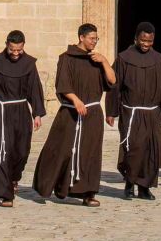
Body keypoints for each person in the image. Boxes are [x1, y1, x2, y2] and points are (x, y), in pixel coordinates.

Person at [30, 22, 116, 205]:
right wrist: (76, 100)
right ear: (81, 38)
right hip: (69, 113)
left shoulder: (97, 59)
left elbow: (112, 81)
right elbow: (62, 84)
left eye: (96, 39)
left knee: (90, 153)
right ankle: (46, 187)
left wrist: (105, 62)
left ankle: (88, 194)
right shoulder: (66, 58)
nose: (94, 42)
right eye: (92, 38)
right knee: (58, 149)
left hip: (92, 114)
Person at [0, 30, 45, 205]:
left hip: (20, 110)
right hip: (0, 110)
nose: (16, 54)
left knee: (21, 150)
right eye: (13, 50)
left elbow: (35, 89)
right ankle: (5, 194)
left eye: (19, 50)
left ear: (23, 46)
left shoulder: (29, 63)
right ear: (6, 45)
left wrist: (37, 114)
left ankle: (14, 177)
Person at [113, 21, 161, 199]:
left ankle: (144, 187)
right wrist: (112, 112)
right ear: (136, 38)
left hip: (152, 113)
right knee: (133, 148)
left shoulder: (159, 59)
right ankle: (129, 184)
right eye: (143, 41)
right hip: (131, 112)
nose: (146, 44)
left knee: (150, 150)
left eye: (150, 41)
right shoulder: (124, 58)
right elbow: (115, 86)